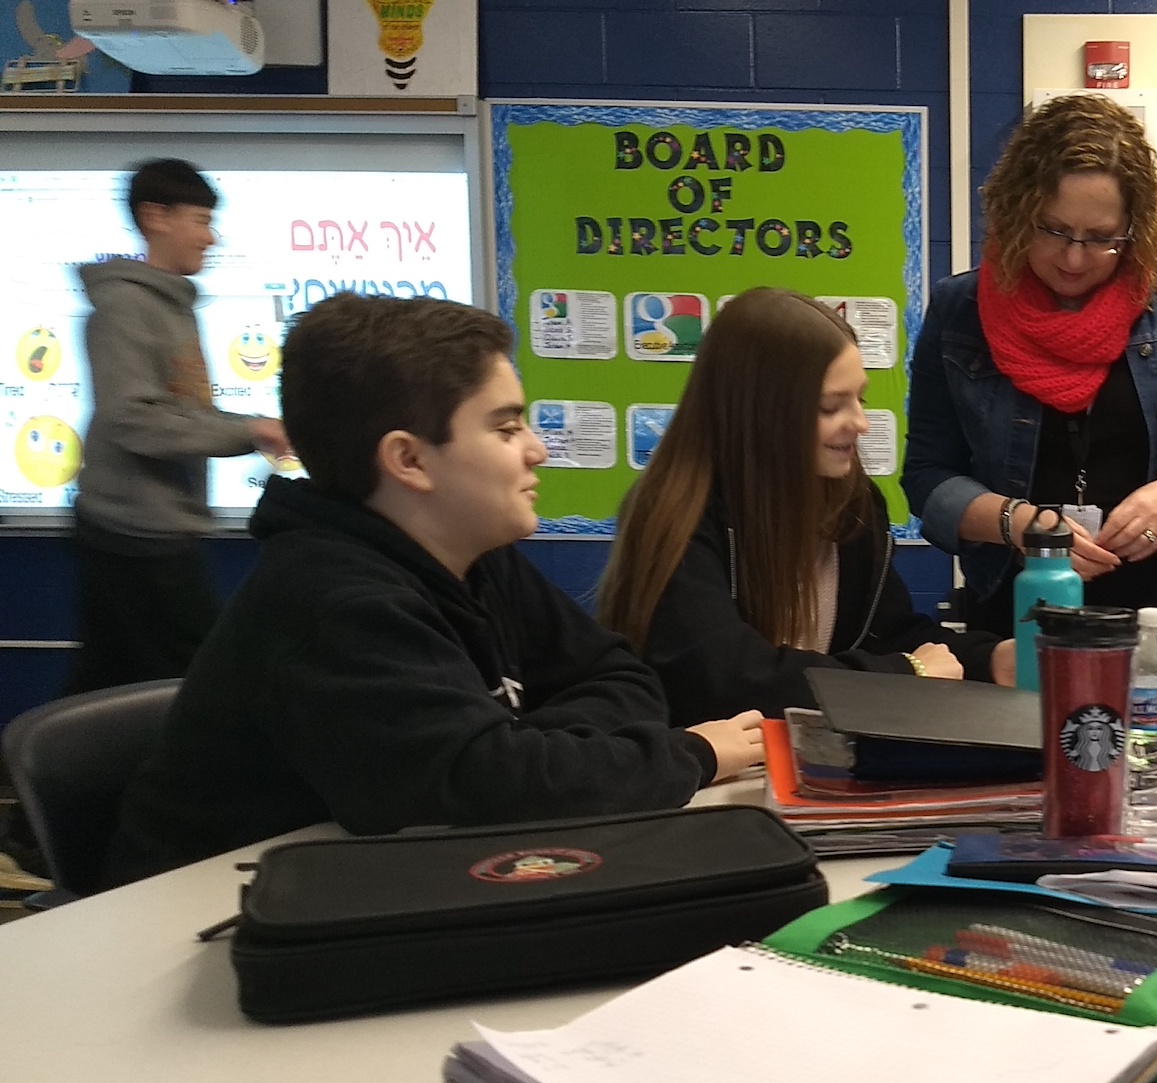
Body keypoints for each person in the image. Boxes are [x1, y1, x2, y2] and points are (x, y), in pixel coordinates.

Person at [99, 294, 764, 890]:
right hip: (200, 928)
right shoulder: (331, 603)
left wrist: (515, 752)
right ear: (409, 460)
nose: (536, 449)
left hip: (363, 891)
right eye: (505, 427)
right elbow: (485, 790)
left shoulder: (475, 557)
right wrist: (693, 755)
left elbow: (621, 680)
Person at [901, 92, 1157, 705]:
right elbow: (927, 478)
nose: (1073, 257)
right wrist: (1024, 525)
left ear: (1134, 230)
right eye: (1055, 230)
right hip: (1024, 606)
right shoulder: (961, 311)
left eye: (1101, 239)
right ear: (1017, 211)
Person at [598, 289, 1012, 723]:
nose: (860, 423)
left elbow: (886, 635)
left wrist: (987, 658)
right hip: (707, 777)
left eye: (860, 399)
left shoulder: (852, 501)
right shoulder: (677, 514)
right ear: (759, 413)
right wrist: (904, 674)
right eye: (830, 407)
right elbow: (725, 680)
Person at [69, 158, 291, 694]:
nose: (210, 237)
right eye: (200, 220)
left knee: (112, 677)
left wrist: (257, 429)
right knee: (195, 683)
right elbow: (135, 420)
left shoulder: (172, 305)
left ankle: (51, 769)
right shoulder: (124, 307)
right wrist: (253, 432)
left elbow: (182, 410)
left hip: (155, 527)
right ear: (155, 218)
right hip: (136, 533)